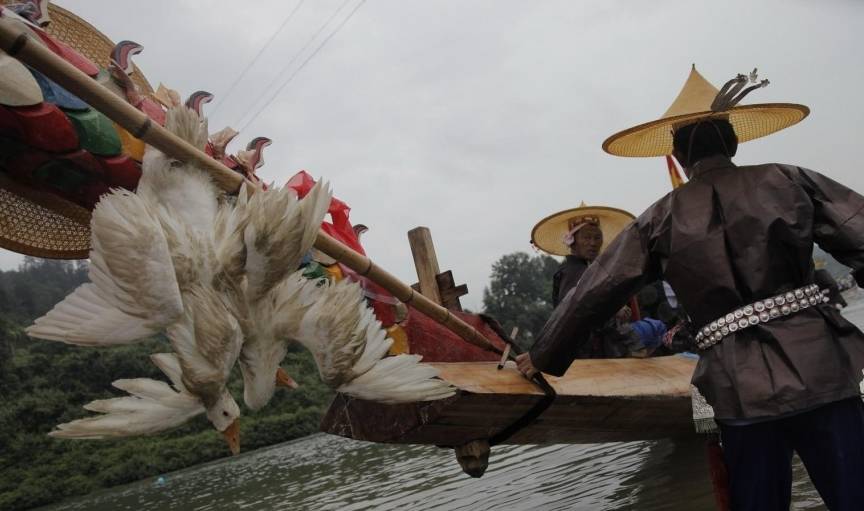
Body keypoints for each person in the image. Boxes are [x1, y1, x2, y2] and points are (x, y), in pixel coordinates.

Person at [517, 66, 864, 510]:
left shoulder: (658, 218)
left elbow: (595, 292)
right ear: (735, 143)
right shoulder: (790, 179)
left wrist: (542, 356)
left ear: (679, 158)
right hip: (822, 367)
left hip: (738, 387)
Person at [532, 204, 647, 357]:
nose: (593, 243)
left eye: (597, 237)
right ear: (572, 241)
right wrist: (614, 313)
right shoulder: (573, 272)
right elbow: (580, 311)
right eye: (586, 237)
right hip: (581, 354)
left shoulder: (589, 271)